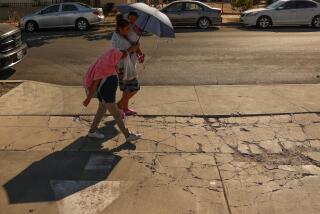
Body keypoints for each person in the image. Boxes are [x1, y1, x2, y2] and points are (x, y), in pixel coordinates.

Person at [83, 48, 141, 142]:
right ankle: (128, 135)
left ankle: (92, 132)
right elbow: (94, 83)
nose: (120, 60)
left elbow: (122, 57)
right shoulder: (103, 67)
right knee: (117, 115)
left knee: (101, 112)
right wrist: (88, 99)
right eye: (119, 58)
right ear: (115, 57)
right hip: (106, 95)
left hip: (105, 95)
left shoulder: (109, 63)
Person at [111, 16, 140, 116]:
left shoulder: (122, 35)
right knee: (134, 88)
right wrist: (132, 49)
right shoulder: (117, 39)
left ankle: (125, 109)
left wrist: (135, 44)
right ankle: (119, 105)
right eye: (126, 29)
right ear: (120, 29)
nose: (128, 31)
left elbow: (131, 45)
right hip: (123, 69)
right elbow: (119, 55)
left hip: (127, 67)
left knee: (127, 89)